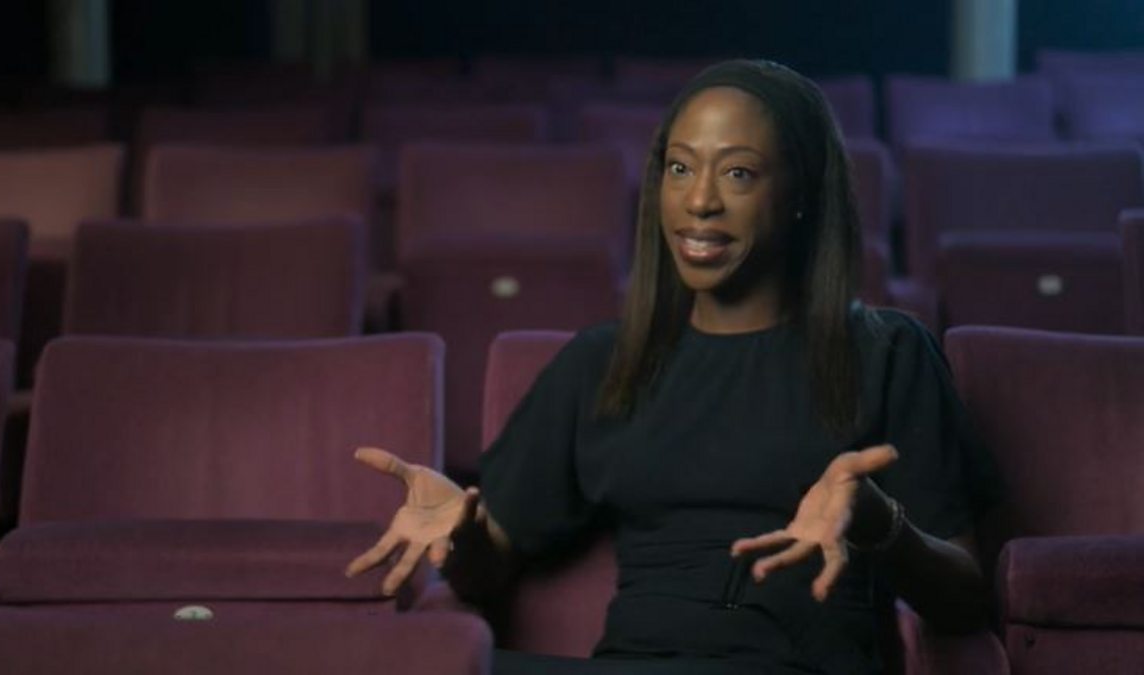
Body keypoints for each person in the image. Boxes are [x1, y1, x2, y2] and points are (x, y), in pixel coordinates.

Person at [345, 59, 1001, 674]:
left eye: (738, 173)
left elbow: (967, 602)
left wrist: (879, 522)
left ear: (802, 191)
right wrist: (459, 540)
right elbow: (488, 571)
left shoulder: (887, 353)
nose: (699, 201)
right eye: (680, 168)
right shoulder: (604, 364)